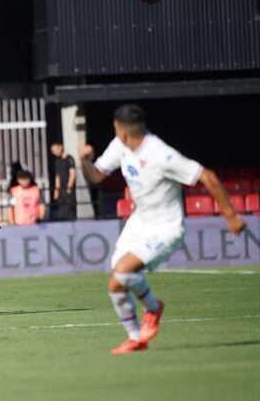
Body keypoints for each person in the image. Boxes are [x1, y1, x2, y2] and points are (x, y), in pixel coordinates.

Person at [79, 104, 245, 355]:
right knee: (115, 284)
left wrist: (231, 216)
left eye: (115, 127)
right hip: (139, 222)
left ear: (122, 131)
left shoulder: (161, 154)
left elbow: (207, 176)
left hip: (166, 228)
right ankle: (136, 338)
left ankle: (153, 309)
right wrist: (84, 161)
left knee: (123, 272)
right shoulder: (119, 145)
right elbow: (96, 176)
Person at [51, 142, 77, 221]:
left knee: (69, 207)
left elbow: (72, 174)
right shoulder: (57, 161)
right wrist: (56, 190)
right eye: (53, 151)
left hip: (68, 187)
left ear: (61, 147)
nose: (55, 152)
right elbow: (57, 176)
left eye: (56, 150)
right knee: (61, 207)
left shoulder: (69, 158)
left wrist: (69, 187)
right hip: (61, 188)